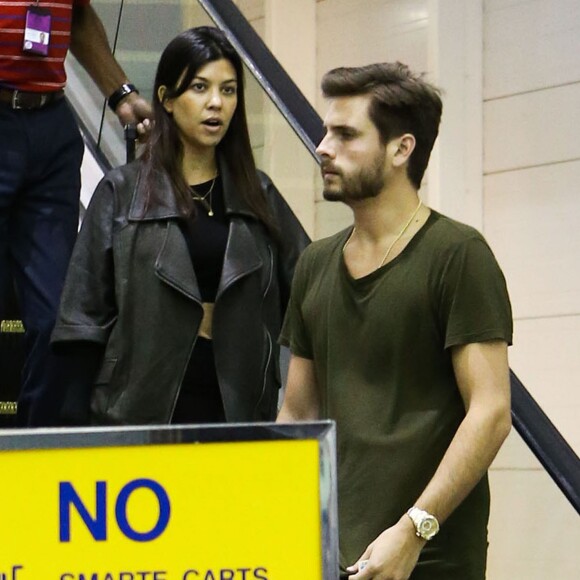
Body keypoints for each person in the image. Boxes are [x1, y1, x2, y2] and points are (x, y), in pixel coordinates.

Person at [277, 62, 513, 579]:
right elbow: (297, 416)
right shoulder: (315, 264)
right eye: (324, 131)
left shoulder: (458, 254)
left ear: (401, 149)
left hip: (430, 558)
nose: (323, 147)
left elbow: (491, 412)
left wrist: (413, 530)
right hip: (330, 555)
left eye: (344, 134)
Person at [49, 26, 309, 426]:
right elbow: (82, 319)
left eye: (228, 90)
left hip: (237, 410)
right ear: (167, 101)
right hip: (140, 411)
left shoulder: (258, 194)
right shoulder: (123, 192)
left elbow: (311, 289)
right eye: (200, 88)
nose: (216, 104)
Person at [0, 0, 152, 426]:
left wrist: (121, 94)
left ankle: (33, 457)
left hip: (50, 129)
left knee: (58, 324)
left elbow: (78, 15)